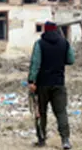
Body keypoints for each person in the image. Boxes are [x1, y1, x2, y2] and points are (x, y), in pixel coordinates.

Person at [27, 21, 75, 149]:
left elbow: (35, 64)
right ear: (56, 29)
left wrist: (31, 81)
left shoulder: (39, 44)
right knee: (61, 112)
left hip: (42, 84)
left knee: (41, 113)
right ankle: (65, 140)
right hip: (59, 83)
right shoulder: (64, 43)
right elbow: (71, 60)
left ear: (45, 30)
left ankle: (41, 140)